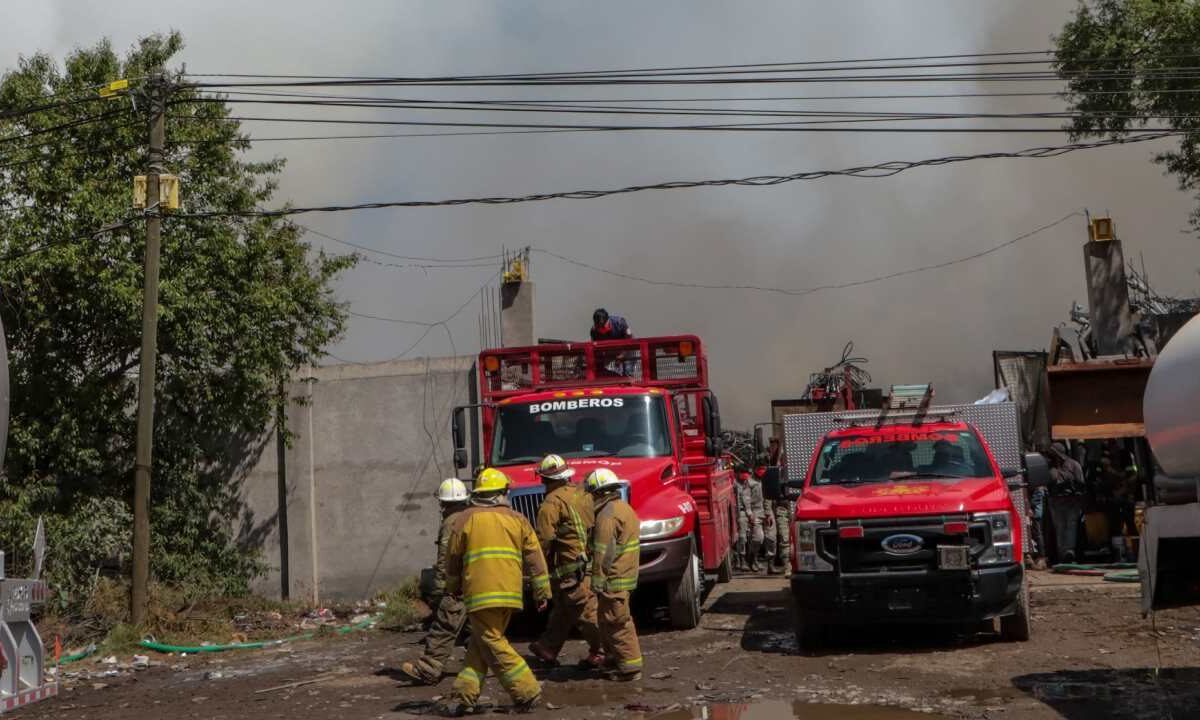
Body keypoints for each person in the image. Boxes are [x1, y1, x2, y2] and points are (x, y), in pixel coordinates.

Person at [439, 469, 552, 716]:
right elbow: (535, 558)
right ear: (502, 493)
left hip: (480, 594)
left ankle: (527, 690)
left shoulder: (464, 519)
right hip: (510, 594)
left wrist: (452, 589)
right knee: (480, 644)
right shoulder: (518, 519)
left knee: (492, 641)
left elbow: (453, 560)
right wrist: (541, 592)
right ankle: (464, 696)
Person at [527, 455, 605, 669]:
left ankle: (604, 650)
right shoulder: (583, 494)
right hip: (590, 562)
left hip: (570, 569)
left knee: (585, 610)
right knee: (564, 607)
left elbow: (543, 540)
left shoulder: (550, 504)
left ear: (545, 480)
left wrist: (536, 571)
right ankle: (548, 647)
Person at [400, 478, 471, 685]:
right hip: (478, 582)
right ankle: (481, 664)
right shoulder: (472, 516)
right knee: (476, 628)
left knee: (445, 625)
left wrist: (441, 590)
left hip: (458, 585)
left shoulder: (450, 523)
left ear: (443, 503)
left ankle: (429, 669)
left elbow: (445, 560)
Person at [585, 468, 643, 681]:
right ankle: (613, 659)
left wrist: (596, 583)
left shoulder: (606, 516)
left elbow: (603, 554)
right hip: (624, 576)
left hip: (614, 579)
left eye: (591, 494)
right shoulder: (624, 508)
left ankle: (630, 668)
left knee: (617, 623)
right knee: (606, 620)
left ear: (598, 493)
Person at [1046, 442, 1086, 564]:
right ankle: (1061, 555)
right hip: (1056, 502)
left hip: (1071, 502)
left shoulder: (1074, 465)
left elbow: (1081, 484)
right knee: (1060, 528)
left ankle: (1069, 552)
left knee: (1070, 526)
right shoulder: (1049, 467)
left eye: (1054, 454)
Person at [734, 468, 765, 572]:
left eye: (747, 473)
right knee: (742, 537)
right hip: (741, 513)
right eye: (742, 472)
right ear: (737, 473)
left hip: (754, 512)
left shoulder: (753, 482)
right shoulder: (733, 484)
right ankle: (742, 560)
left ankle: (753, 558)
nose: (745, 475)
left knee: (758, 538)